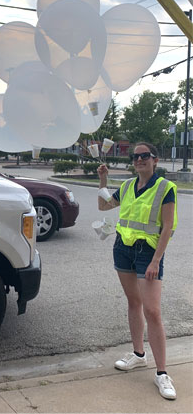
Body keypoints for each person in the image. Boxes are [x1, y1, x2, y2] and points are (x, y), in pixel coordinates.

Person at [97, 142, 178, 400]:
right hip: (123, 248)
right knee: (134, 302)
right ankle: (138, 355)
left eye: (145, 156)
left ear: (155, 160)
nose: (139, 159)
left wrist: (156, 260)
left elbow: (167, 228)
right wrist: (103, 180)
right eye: (136, 156)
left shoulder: (166, 188)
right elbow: (104, 207)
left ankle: (162, 373)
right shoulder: (128, 186)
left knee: (152, 311)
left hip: (148, 254)